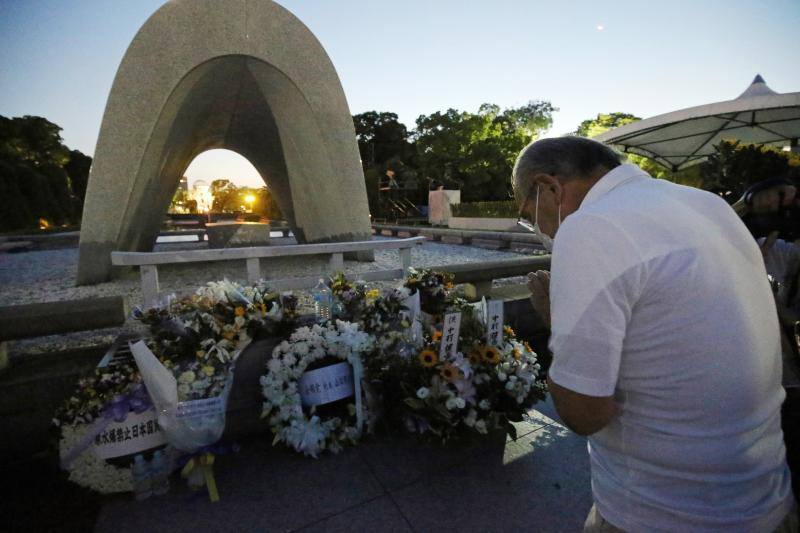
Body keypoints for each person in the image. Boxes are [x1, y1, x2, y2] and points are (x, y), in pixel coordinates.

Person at [513, 136, 795, 531]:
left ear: (549, 187)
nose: (537, 227)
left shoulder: (590, 227)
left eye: (528, 214)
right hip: (766, 494)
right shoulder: (708, 205)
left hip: (664, 509)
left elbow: (583, 412)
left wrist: (553, 317)